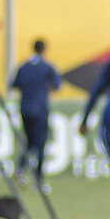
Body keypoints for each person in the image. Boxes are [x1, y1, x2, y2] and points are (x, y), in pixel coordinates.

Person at [10, 39, 65, 183]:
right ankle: (39, 180)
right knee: (40, 143)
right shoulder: (48, 67)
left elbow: (15, 85)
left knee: (29, 141)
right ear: (44, 49)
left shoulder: (23, 66)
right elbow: (58, 86)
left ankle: (20, 169)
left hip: (25, 108)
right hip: (40, 108)